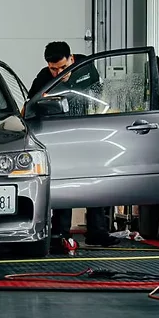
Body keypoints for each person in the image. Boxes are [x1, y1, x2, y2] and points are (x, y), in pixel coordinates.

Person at [28, 41, 119, 248]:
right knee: (64, 184)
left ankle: (98, 232)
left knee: (95, 183)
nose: (59, 73)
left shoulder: (87, 67)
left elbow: (100, 96)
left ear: (71, 59)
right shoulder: (43, 77)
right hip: (60, 137)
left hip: (88, 133)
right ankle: (60, 233)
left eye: (63, 67)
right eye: (54, 69)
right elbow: (30, 105)